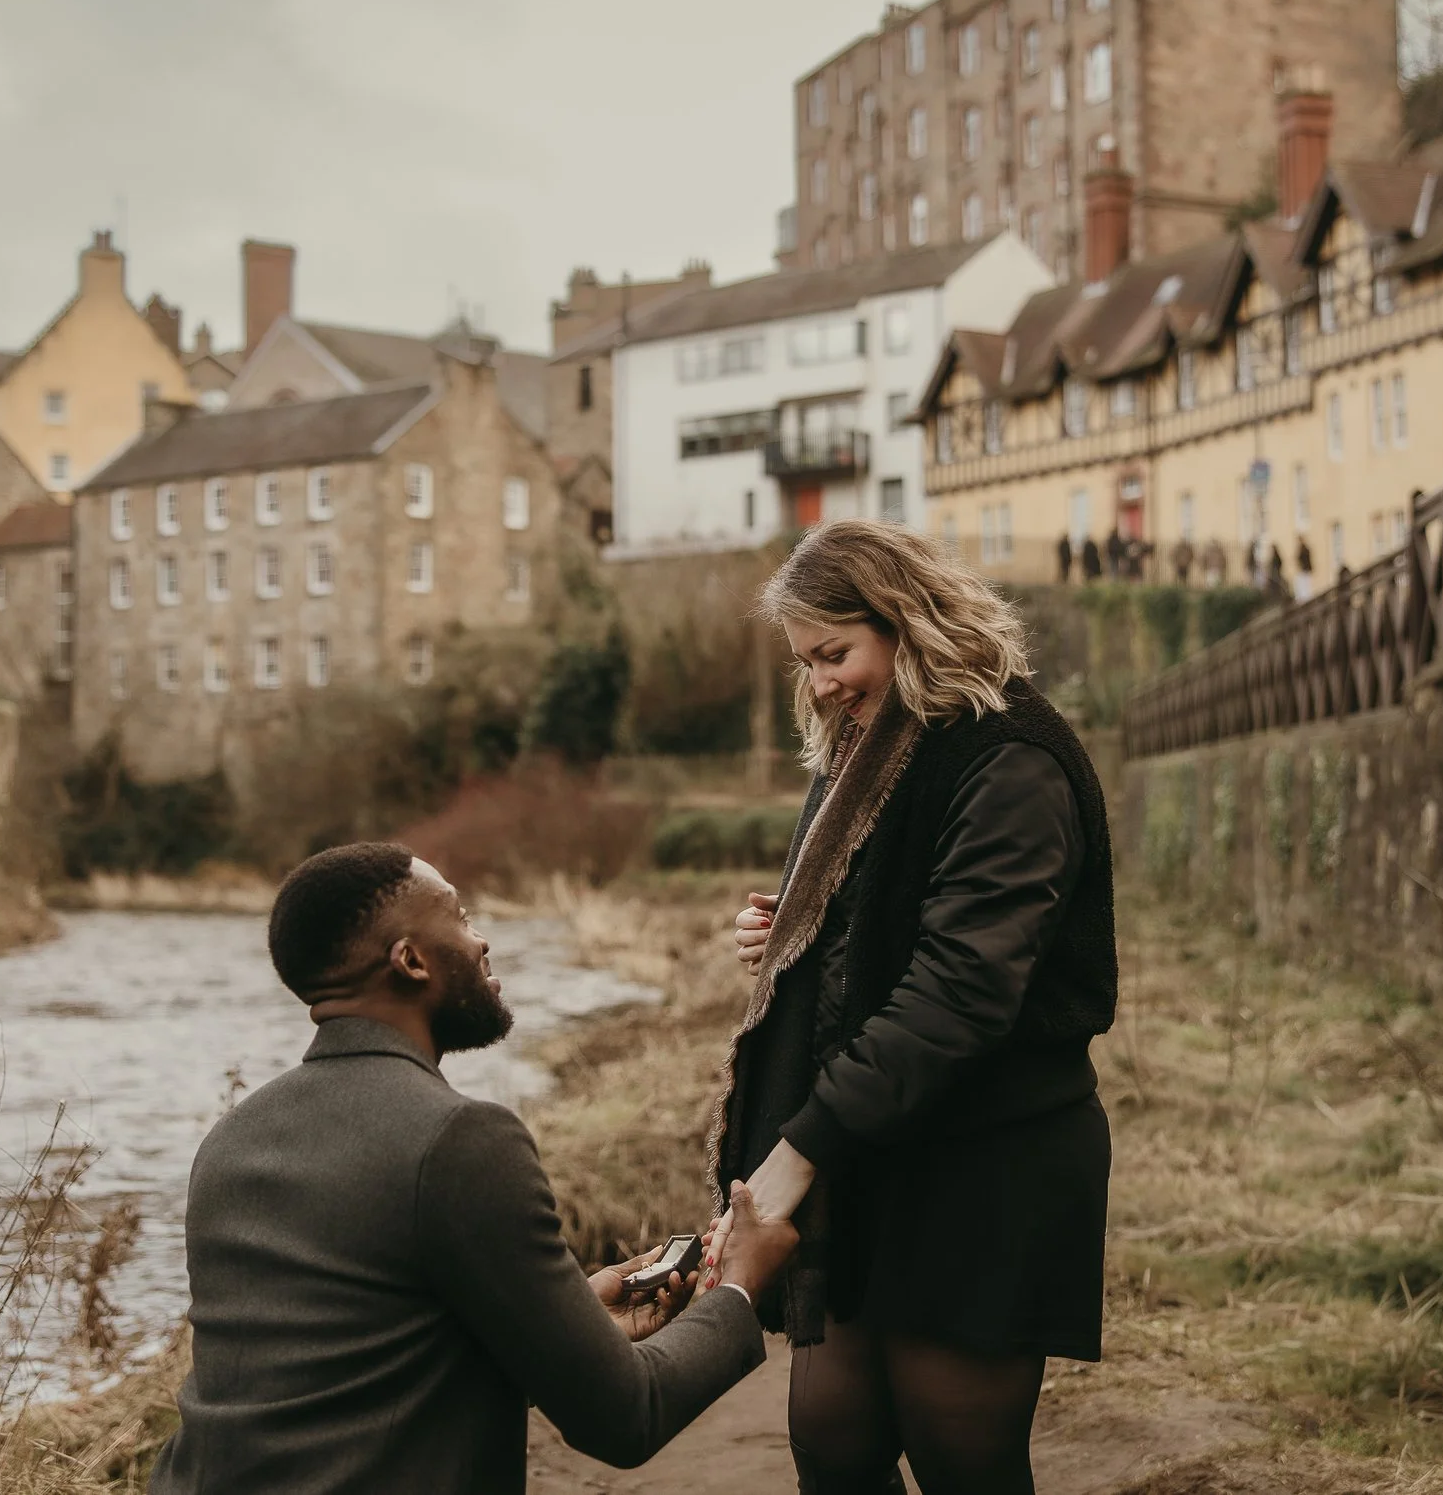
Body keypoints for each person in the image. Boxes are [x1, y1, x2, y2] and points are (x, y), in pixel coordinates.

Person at [152, 844, 801, 1495]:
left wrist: (570, 1329)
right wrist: (738, 1288)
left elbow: (331, 1385)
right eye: (459, 916)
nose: (482, 938)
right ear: (410, 960)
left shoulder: (231, 1139)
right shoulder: (461, 1138)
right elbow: (626, 1416)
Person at [707, 520, 1118, 1495]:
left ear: (908, 620)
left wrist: (793, 1154)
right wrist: (795, 938)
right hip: (873, 1147)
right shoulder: (868, 749)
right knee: (832, 1439)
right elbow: (879, 912)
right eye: (806, 661)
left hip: (983, 1157)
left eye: (834, 652)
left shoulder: (1011, 756)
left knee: (960, 1455)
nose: (820, 683)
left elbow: (963, 984)